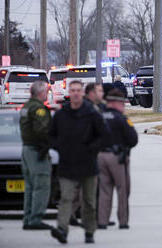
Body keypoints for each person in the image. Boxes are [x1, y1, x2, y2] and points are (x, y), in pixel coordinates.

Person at [49, 80, 105, 244]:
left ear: (82, 93)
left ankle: (89, 231)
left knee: (89, 201)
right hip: (67, 164)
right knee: (66, 198)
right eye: (72, 90)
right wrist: (60, 147)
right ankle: (62, 229)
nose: (74, 93)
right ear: (68, 92)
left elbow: (103, 135)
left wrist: (92, 148)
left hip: (88, 163)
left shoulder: (92, 113)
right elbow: (51, 135)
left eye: (78, 90)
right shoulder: (62, 114)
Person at [97, 88, 138, 230]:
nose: (124, 106)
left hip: (100, 156)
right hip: (118, 157)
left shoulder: (99, 116)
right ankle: (123, 221)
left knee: (104, 190)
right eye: (123, 103)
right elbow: (133, 139)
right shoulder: (122, 118)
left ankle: (102, 221)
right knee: (123, 190)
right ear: (115, 103)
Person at [19, 81, 53, 230]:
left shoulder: (26, 107)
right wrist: (48, 143)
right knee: (41, 185)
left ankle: (27, 218)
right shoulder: (39, 109)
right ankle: (35, 219)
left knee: (30, 187)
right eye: (45, 91)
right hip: (36, 150)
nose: (47, 94)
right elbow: (42, 129)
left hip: (26, 149)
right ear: (41, 93)